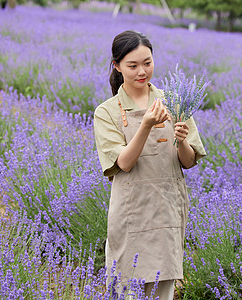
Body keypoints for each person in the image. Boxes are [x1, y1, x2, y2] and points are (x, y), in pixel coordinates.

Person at [93, 30, 206, 299]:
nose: (142, 71)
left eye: (148, 62)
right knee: (123, 289)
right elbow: (124, 163)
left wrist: (182, 141)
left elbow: (188, 162)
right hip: (131, 213)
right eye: (133, 66)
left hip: (166, 210)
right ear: (117, 66)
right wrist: (145, 125)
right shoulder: (107, 112)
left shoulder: (175, 101)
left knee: (162, 290)